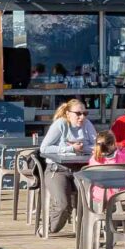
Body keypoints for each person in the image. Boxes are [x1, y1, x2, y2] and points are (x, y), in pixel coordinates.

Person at [39, 96, 96, 234]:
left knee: (94, 199)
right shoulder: (60, 124)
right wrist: (70, 149)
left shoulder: (87, 124)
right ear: (68, 114)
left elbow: (96, 146)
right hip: (58, 169)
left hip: (81, 169)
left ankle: (89, 233)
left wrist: (82, 148)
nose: (82, 117)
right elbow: (44, 148)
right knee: (63, 205)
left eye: (85, 113)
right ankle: (49, 227)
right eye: (78, 113)